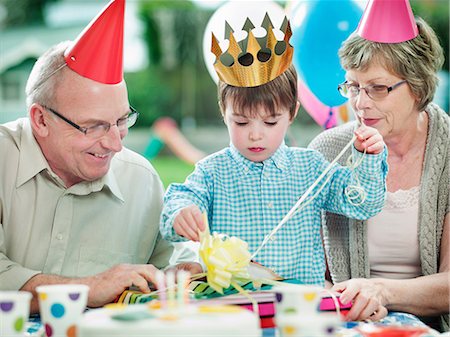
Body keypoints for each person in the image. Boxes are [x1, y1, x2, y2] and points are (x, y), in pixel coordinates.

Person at [0, 0, 200, 314]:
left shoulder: (141, 180)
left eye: (122, 121)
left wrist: (191, 271)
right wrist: (88, 288)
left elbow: (176, 262)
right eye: (93, 127)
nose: (114, 144)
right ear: (40, 120)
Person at [160, 15, 388, 286]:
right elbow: (177, 205)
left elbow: (363, 204)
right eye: (241, 121)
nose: (256, 134)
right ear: (224, 112)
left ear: (292, 113)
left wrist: (369, 158)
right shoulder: (212, 172)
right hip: (236, 307)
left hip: (303, 306)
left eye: (270, 121)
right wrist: (181, 212)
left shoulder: (311, 167)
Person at [308, 0, 449, 331]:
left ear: (417, 86)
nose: (360, 103)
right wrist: (342, 302)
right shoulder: (327, 152)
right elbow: (313, 273)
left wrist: (381, 292)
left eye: (378, 88)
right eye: (353, 86)